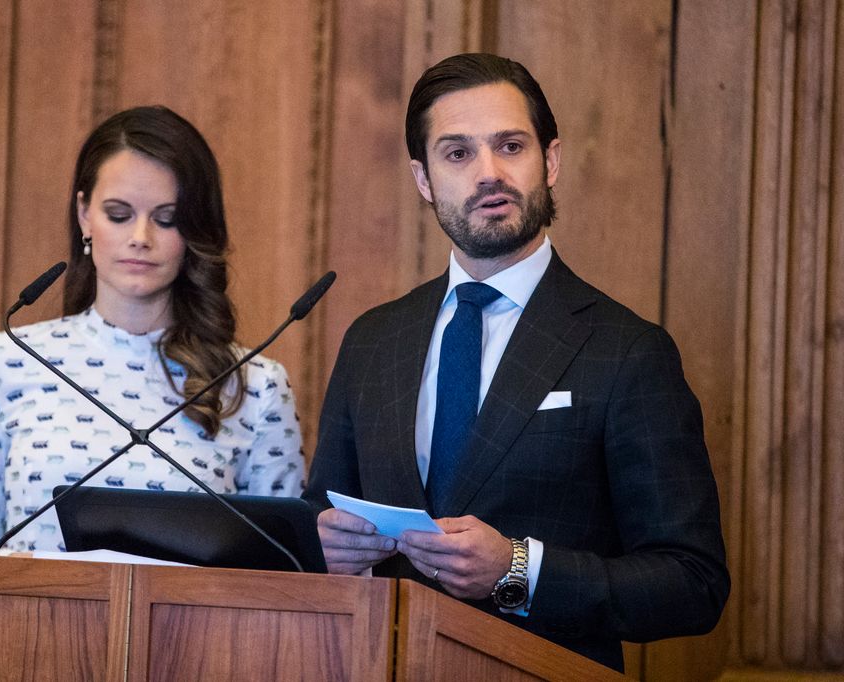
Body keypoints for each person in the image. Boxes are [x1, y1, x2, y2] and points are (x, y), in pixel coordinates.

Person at [302, 54, 730, 671]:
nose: (489, 173)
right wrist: (323, 545)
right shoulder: (372, 340)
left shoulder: (628, 351)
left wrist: (518, 571)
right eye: (457, 153)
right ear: (423, 179)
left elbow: (692, 583)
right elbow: (320, 512)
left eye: (510, 146)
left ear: (550, 161)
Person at [0, 105, 305, 554]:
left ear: (195, 230)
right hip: (31, 605)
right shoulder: (8, 360)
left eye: (167, 219)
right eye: (118, 214)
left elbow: (285, 571)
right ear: (84, 214)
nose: (141, 237)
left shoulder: (257, 386)